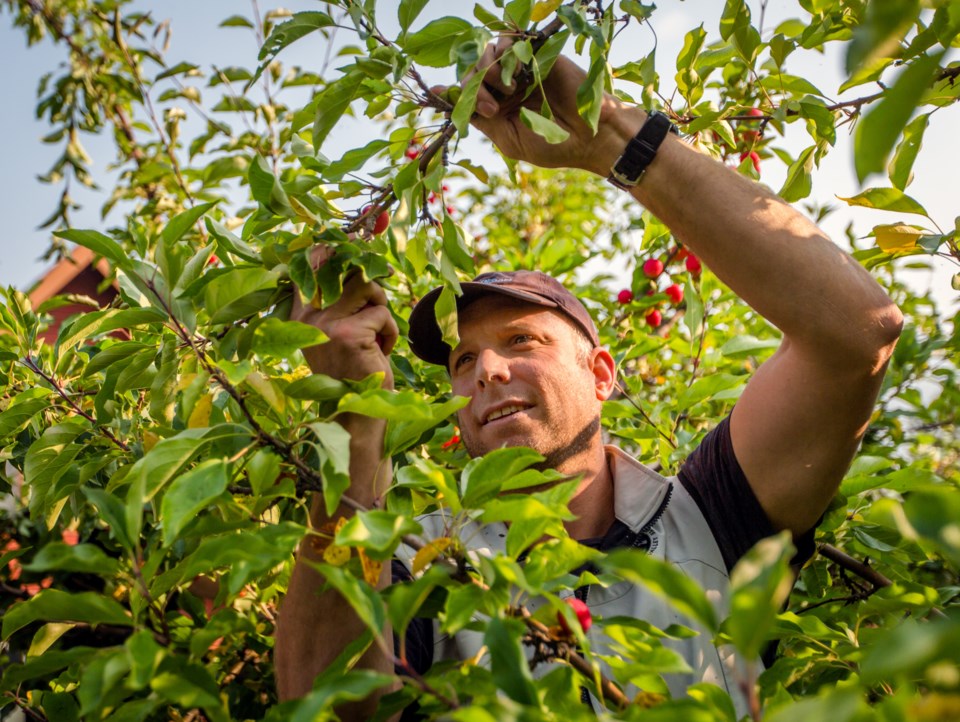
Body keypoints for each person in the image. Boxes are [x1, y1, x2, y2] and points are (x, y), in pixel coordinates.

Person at [274, 41, 903, 719]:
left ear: (601, 374)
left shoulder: (713, 518)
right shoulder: (420, 560)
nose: (486, 368)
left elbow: (856, 333)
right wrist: (351, 422)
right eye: (461, 362)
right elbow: (327, 706)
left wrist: (610, 137)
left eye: (523, 341)